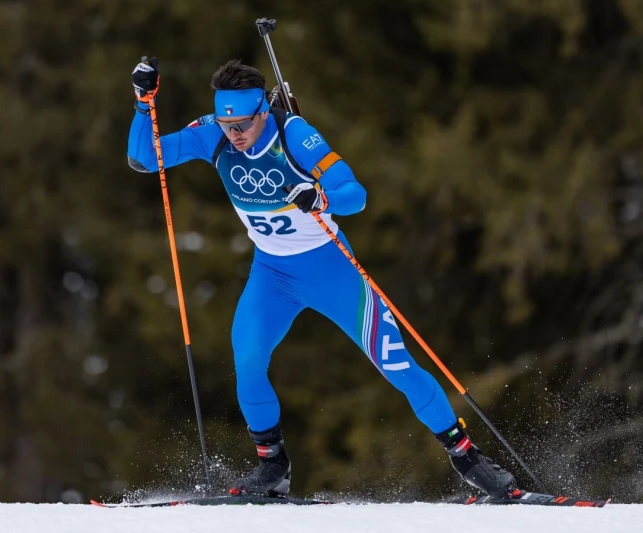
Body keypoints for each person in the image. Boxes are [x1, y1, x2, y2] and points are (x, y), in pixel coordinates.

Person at [128, 57, 518, 499]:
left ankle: (469, 459)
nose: (233, 134)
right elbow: (145, 158)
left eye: (242, 124)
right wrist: (145, 103)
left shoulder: (294, 134)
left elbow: (356, 195)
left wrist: (321, 196)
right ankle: (272, 466)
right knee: (249, 361)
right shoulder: (213, 134)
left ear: (262, 112)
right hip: (271, 273)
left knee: (396, 364)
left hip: (331, 269)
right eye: (225, 123)